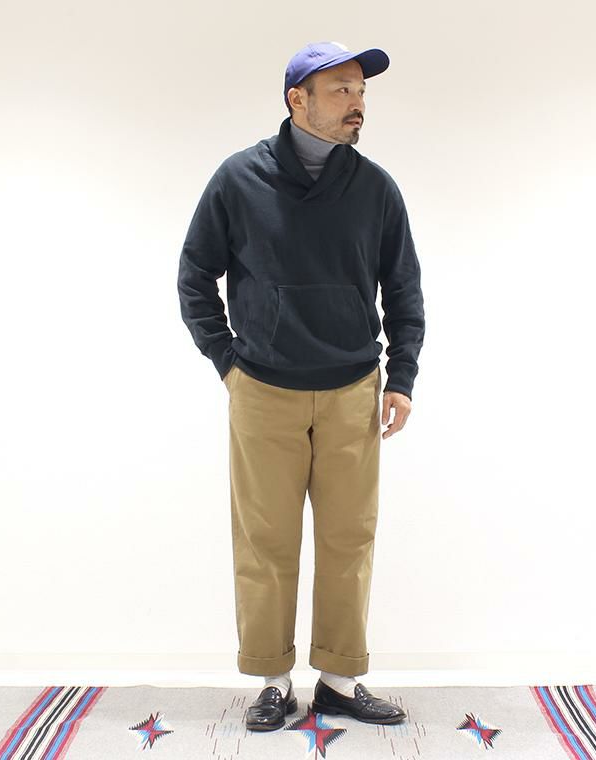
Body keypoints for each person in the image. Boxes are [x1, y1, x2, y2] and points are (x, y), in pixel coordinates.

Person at [177, 40, 425, 731]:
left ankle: (341, 679)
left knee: (350, 539)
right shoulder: (239, 179)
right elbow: (195, 275)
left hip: (353, 389)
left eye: (361, 92)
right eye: (342, 90)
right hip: (263, 388)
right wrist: (226, 360)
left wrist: (401, 375)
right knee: (266, 541)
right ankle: (273, 682)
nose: (357, 103)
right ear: (297, 100)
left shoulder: (375, 188)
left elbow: (404, 287)